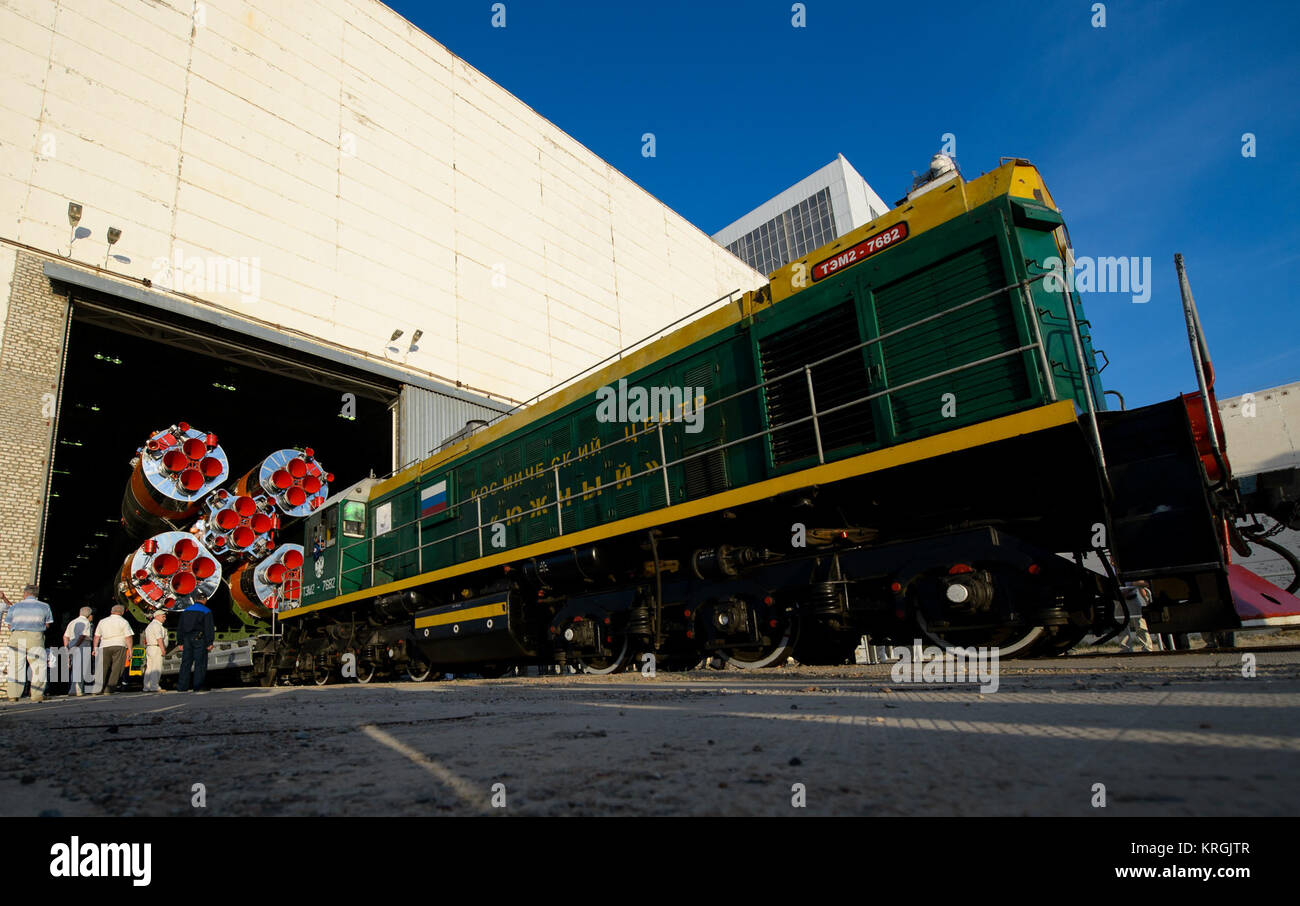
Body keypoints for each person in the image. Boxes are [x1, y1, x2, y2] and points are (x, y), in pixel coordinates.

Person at [6, 584, 54, 702]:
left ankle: (13, 694)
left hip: (17, 636)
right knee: (38, 665)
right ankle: (36, 695)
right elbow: (48, 624)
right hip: (35, 636)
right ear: (36, 594)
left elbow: (9, 624)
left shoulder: (15, 606)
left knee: (15, 666)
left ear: (25, 594)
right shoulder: (44, 606)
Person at [92, 605, 135, 694]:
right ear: (122, 613)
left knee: (102, 668)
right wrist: (130, 649)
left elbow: (97, 636)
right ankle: (109, 689)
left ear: (111, 611)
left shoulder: (102, 621)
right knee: (117, 668)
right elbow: (128, 637)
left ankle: (97, 689)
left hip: (104, 645)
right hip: (119, 645)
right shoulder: (124, 622)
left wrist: (95, 648)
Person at [176, 601, 214, 693]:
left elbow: (180, 627)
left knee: (185, 663)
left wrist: (180, 642)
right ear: (204, 600)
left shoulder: (186, 610)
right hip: (199, 638)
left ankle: (182, 687)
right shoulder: (206, 611)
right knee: (200, 663)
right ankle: (198, 686)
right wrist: (210, 642)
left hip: (187, 639)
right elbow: (209, 628)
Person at [1116, 581, 1157, 653]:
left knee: (1140, 623)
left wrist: (1130, 588)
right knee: (1121, 625)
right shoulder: (1110, 571)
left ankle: (1147, 647)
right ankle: (1126, 648)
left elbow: (1140, 583)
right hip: (1118, 600)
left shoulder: (1126, 572)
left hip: (1131, 598)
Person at [62, 606, 94, 696]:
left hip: (71, 647)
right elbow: (83, 635)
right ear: (89, 615)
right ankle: (78, 690)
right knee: (81, 669)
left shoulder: (72, 622)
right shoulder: (86, 622)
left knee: (75, 669)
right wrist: (76, 646)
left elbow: (65, 636)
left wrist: (67, 647)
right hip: (82, 647)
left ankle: (73, 689)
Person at [141, 611, 170, 692]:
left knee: (149, 668)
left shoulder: (150, 625)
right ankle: (154, 686)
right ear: (157, 616)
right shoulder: (157, 626)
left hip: (150, 647)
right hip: (156, 647)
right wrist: (163, 649)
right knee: (156, 668)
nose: (165, 618)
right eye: (163, 616)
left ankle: (147, 686)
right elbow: (159, 638)